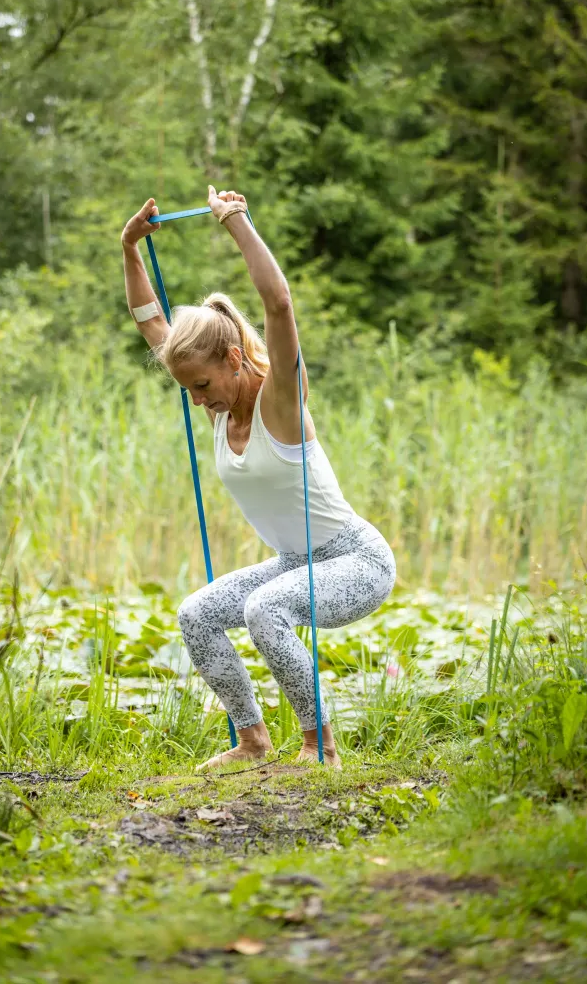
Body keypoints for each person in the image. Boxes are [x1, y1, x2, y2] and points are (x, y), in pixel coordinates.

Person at [121, 186, 396, 769]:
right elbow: (149, 320)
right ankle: (251, 742)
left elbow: (278, 304)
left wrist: (237, 223)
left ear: (232, 360)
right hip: (295, 564)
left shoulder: (280, 403)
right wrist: (130, 248)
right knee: (197, 614)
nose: (197, 401)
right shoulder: (220, 407)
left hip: (356, 560)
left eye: (200, 386)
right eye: (186, 390)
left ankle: (319, 746)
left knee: (264, 608)